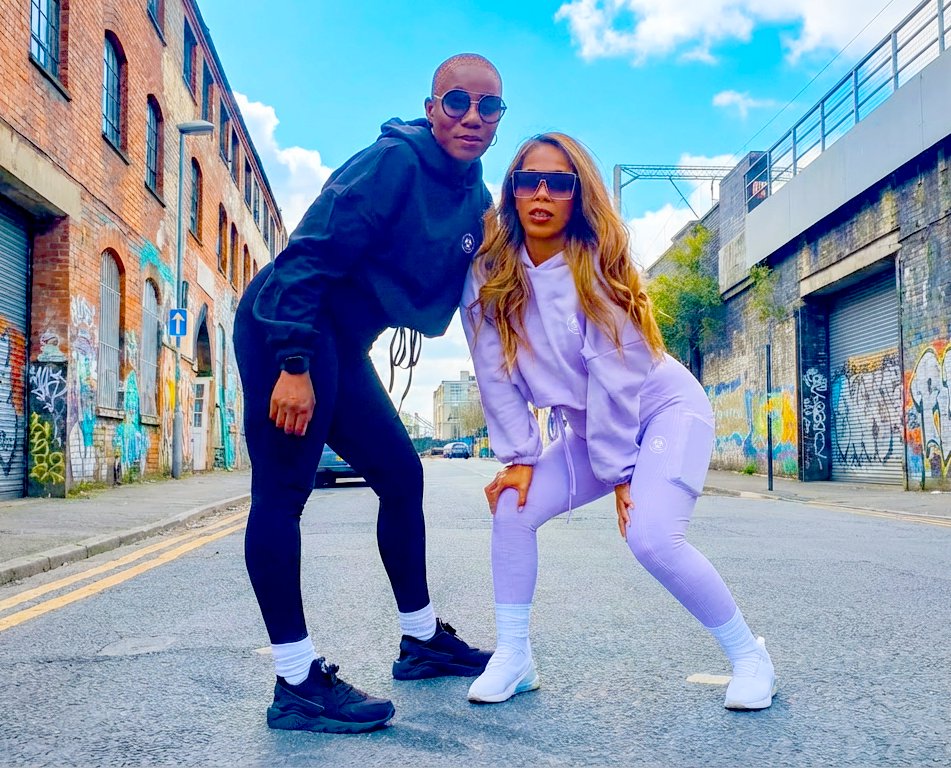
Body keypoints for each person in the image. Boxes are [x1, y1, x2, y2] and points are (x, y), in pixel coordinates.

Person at [234, 54, 505, 734]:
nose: (472, 117)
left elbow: (493, 283)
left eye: (489, 107)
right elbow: (306, 259)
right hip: (289, 325)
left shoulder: (476, 199)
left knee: (400, 473)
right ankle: (296, 682)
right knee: (284, 493)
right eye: (456, 103)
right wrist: (292, 362)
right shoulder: (391, 164)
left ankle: (420, 642)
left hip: (341, 344)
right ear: (432, 106)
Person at [460, 133, 778, 711]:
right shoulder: (488, 273)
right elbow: (492, 373)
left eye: (559, 183)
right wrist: (521, 460)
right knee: (512, 508)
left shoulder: (597, 268)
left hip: (662, 412)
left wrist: (621, 471)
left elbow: (615, 380)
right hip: (592, 430)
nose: (541, 193)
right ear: (510, 191)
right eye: (528, 179)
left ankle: (751, 659)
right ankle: (514, 656)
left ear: (577, 196)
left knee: (652, 537)